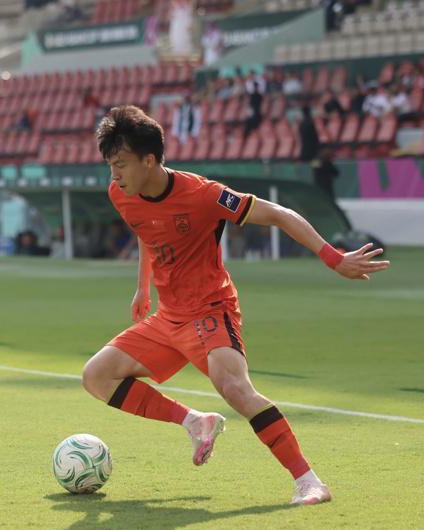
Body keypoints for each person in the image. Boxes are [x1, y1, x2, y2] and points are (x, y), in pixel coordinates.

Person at [82, 106, 389, 506]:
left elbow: (279, 214)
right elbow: (146, 229)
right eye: (110, 165)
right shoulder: (122, 194)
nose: (114, 175)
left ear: (150, 160)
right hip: (168, 317)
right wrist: (142, 287)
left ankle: (309, 481)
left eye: (120, 164)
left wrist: (333, 257)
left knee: (235, 389)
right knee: (96, 376)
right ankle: (195, 421)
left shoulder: (204, 195)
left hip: (210, 310)